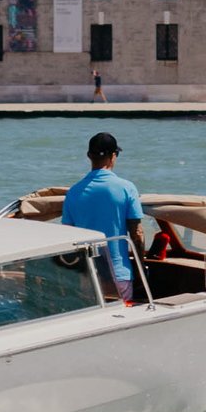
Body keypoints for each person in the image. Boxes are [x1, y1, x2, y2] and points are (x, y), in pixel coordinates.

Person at [62, 129, 147, 305]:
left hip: (87, 277)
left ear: (89, 155)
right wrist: (140, 269)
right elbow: (137, 234)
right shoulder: (126, 188)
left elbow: (68, 238)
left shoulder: (73, 192)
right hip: (119, 273)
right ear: (113, 155)